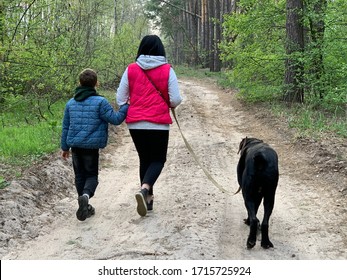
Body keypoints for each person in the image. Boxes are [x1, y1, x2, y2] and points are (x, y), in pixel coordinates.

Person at [116, 35, 182, 217]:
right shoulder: (168, 70)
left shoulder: (130, 69)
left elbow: (120, 98)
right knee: (159, 160)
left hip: (135, 123)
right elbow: (175, 99)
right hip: (158, 123)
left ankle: (148, 199)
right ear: (161, 49)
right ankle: (145, 188)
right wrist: (169, 105)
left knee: (145, 159)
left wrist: (136, 107)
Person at [61, 68, 128, 221]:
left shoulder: (70, 103)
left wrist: (65, 147)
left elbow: (65, 126)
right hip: (91, 147)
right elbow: (116, 119)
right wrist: (126, 106)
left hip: (75, 146)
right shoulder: (101, 102)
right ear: (96, 83)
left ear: (79, 83)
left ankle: (83, 204)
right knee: (91, 176)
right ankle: (85, 197)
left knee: (79, 175)